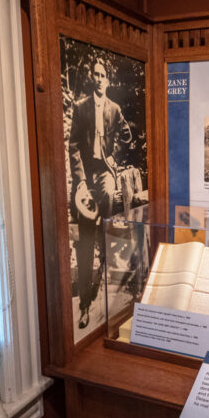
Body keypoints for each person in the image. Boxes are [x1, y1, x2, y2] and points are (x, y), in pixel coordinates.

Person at [69, 58, 132, 329]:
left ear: (107, 81)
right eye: (94, 74)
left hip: (105, 172)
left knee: (107, 222)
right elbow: (72, 147)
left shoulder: (114, 108)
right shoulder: (80, 108)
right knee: (85, 238)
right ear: (90, 78)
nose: (98, 78)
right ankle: (84, 303)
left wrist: (115, 155)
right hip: (86, 176)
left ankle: (107, 275)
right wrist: (80, 181)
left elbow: (125, 136)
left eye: (102, 74)